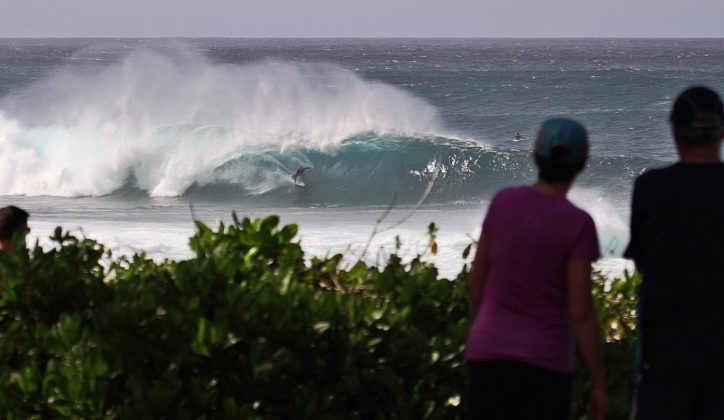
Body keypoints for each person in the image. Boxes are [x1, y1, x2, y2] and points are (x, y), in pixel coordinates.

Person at [466, 118, 606, 420]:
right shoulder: (578, 223)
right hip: (545, 366)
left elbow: (476, 285)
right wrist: (598, 381)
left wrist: (492, 335)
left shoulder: (502, 203)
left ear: (534, 156)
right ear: (582, 164)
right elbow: (580, 312)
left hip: (486, 357)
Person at [625, 86, 724, 419]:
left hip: (666, 357)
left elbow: (642, 263)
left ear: (674, 130)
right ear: (721, 131)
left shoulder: (651, 187)